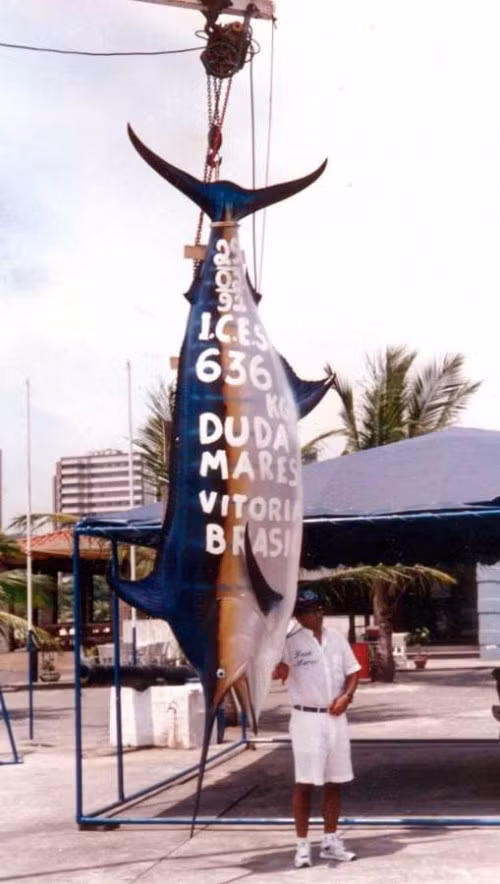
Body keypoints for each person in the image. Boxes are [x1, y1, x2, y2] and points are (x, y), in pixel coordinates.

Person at [272, 586, 361, 869]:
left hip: (335, 717)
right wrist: (280, 669)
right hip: (306, 719)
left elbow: (353, 671)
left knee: (335, 781)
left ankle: (330, 841)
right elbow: (279, 668)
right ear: (299, 615)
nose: (317, 615)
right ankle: (301, 846)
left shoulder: (335, 638)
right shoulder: (290, 641)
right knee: (305, 783)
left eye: (320, 609)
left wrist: (347, 697)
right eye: (310, 611)